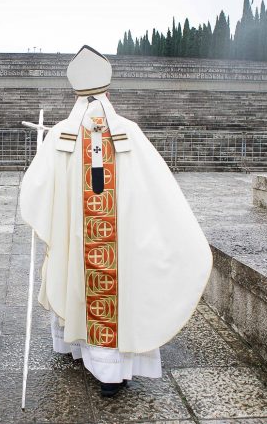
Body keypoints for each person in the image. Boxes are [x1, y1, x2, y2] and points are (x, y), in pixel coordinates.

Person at [19, 45, 212, 397]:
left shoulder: (61, 134)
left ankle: (81, 350)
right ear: (108, 93)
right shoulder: (129, 132)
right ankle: (114, 373)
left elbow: (36, 188)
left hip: (79, 241)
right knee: (120, 292)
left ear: (76, 94)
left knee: (76, 279)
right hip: (119, 243)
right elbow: (157, 187)